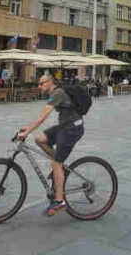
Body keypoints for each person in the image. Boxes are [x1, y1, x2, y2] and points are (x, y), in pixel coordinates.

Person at [19, 73, 85, 216]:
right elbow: (41, 117)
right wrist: (29, 129)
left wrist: (27, 131)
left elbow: (42, 117)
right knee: (39, 139)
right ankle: (59, 165)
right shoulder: (56, 93)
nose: (39, 86)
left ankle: (59, 201)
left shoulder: (58, 93)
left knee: (56, 163)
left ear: (49, 83)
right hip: (64, 127)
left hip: (73, 129)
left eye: (41, 83)